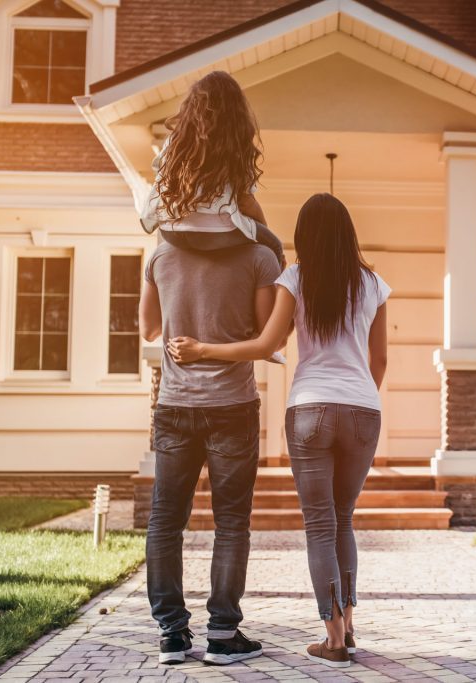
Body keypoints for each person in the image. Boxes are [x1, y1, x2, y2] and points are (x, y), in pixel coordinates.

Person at [168, 193, 390, 669]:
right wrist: (359, 400)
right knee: (344, 519)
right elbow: (381, 361)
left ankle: (332, 639)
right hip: (363, 410)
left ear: (305, 238)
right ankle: (348, 628)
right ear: (348, 233)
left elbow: (268, 343)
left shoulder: (295, 278)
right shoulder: (373, 284)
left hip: (309, 408)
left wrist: (203, 348)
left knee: (320, 525)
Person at [138, 69, 282, 668]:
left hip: (174, 404)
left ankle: (172, 634)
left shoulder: (161, 250)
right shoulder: (258, 255)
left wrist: (182, 337)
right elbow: (260, 329)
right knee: (232, 522)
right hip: (232, 405)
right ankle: (224, 634)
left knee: (165, 520)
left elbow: (148, 329)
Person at [138, 70, 285, 268]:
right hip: (217, 234)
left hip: (173, 233)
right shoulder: (234, 143)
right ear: (235, 111)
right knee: (274, 247)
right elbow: (245, 201)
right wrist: (261, 230)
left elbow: (160, 184)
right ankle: (277, 297)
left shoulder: (175, 142)